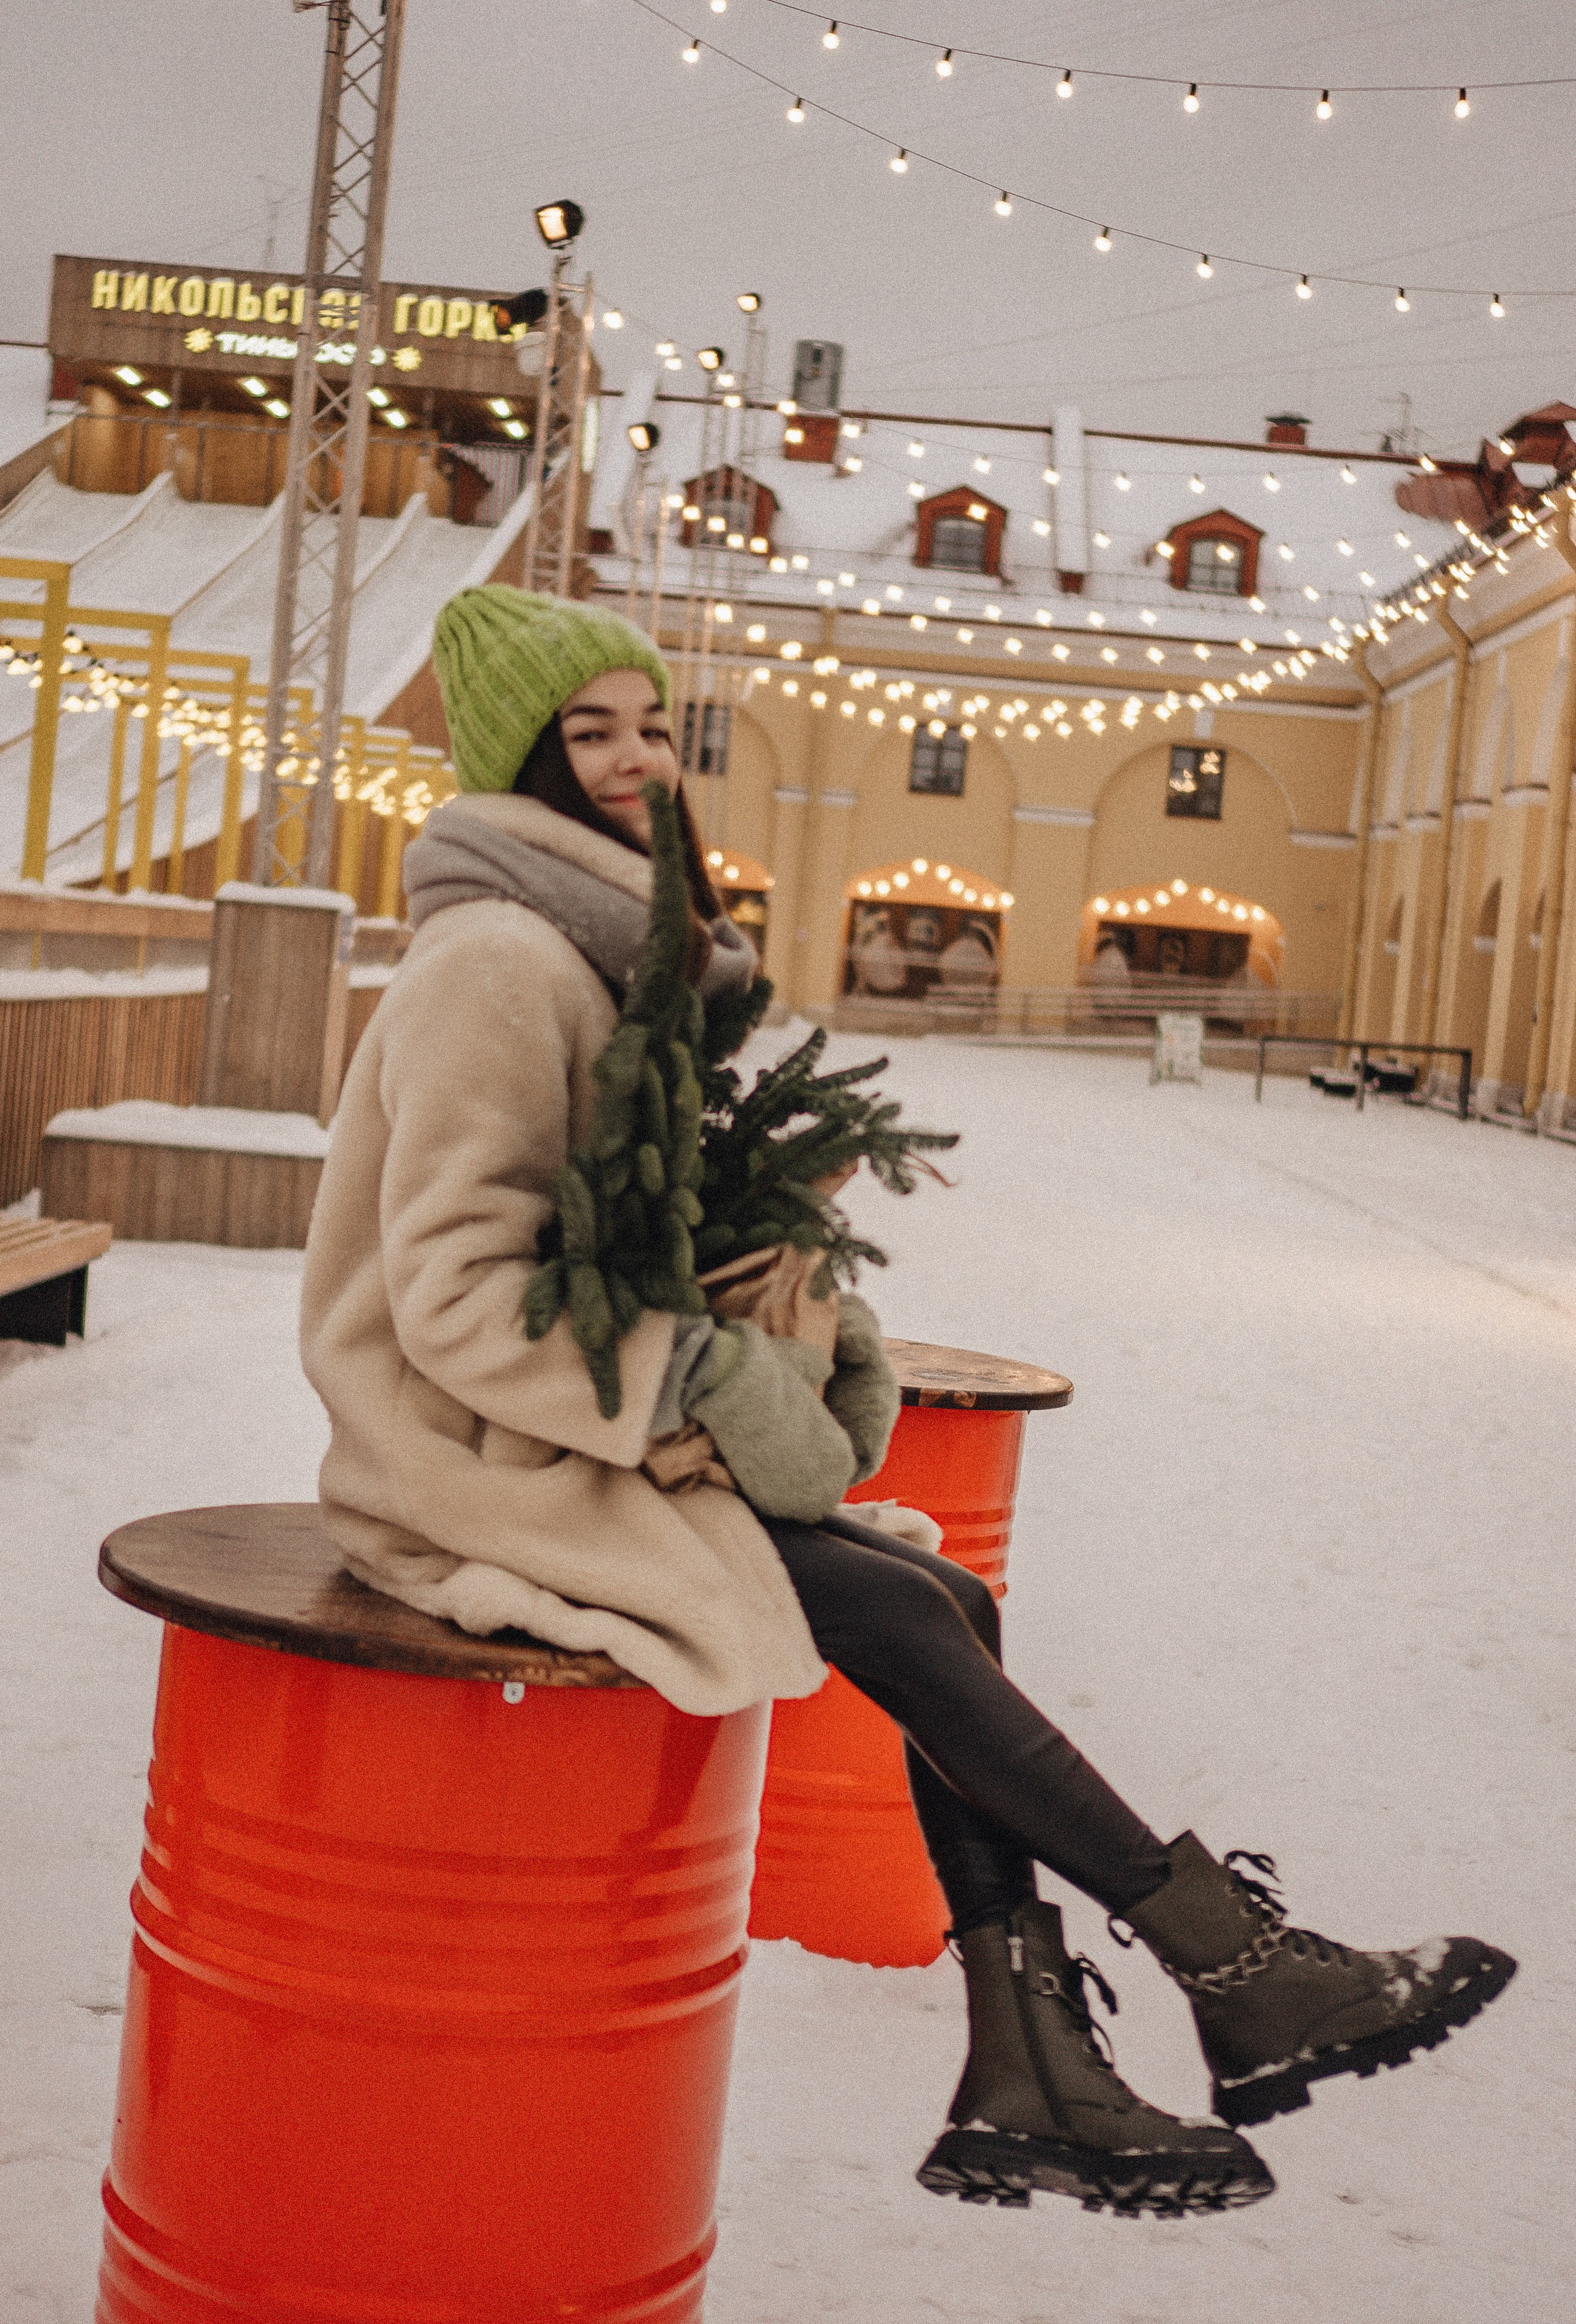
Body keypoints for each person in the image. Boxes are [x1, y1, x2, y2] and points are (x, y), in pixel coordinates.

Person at [300, 588, 1515, 2222]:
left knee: (941, 1591)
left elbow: (633, 1220)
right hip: (469, 1460)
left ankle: (1041, 2067)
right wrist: (704, 1372)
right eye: (589, 733)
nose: (640, 760)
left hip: (573, 1438)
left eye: (653, 724)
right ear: (516, 758)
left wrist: (793, 1291)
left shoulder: (609, 952)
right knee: (916, 1616)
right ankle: (1224, 1969)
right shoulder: (500, 965)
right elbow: (454, 1295)